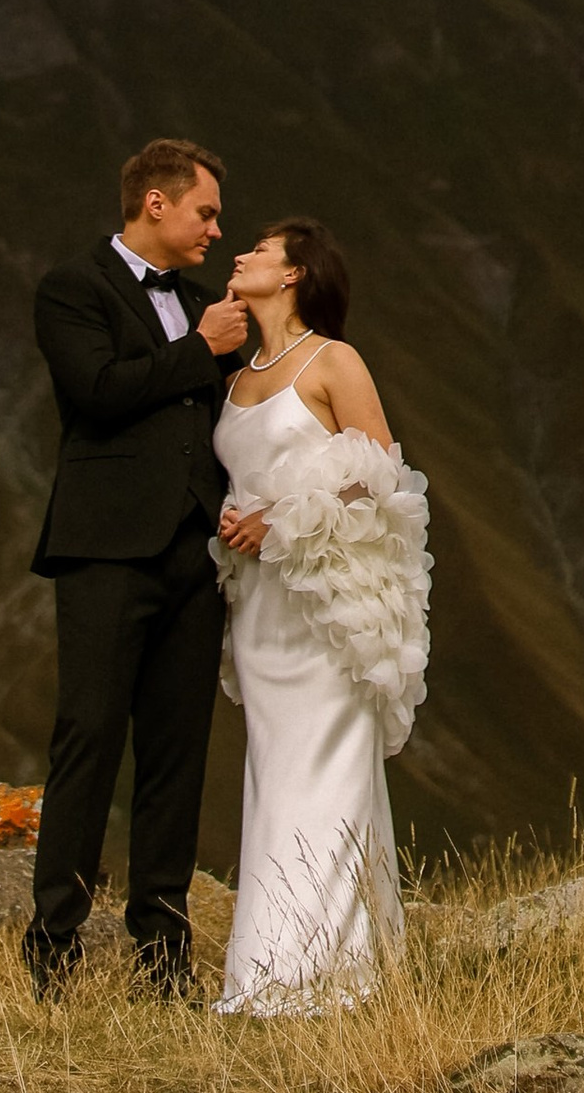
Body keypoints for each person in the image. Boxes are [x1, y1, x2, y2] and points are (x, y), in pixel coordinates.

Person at [24, 138, 249, 995]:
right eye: (205, 212)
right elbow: (98, 393)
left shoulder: (202, 303)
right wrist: (201, 347)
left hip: (194, 555)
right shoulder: (73, 289)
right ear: (155, 203)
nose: (215, 231)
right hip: (106, 550)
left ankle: (164, 957)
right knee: (87, 740)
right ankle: (55, 950)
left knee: (176, 753)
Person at [212, 216, 430, 1014]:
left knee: (326, 768)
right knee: (272, 772)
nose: (240, 255)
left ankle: (314, 982)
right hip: (260, 609)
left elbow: (379, 474)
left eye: (259, 251)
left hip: (324, 607)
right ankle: (276, 967)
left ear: (296, 273)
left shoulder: (333, 360)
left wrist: (280, 520)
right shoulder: (236, 380)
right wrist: (242, 528)